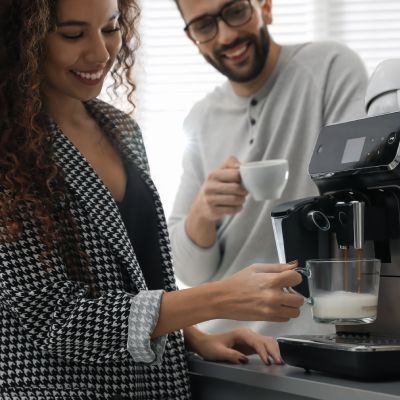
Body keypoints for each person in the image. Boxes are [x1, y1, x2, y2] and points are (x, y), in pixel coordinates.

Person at [0, 0, 305, 398]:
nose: (101, 52)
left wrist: (190, 334)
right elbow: (58, 323)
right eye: (73, 34)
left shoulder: (119, 128)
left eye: (110, 28)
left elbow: (138, 275)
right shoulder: (10, 152)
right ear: (25, 39)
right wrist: (218, 297)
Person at [169, 0, 369, 336]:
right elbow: (191, 273)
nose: (227, 35)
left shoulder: (330, 68)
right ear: (193, 39)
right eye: (204, 26)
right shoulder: (201, 119)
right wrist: (203, 212)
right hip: (223, 341)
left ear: (265, 6)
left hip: (315, 331)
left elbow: (357, 198)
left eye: (235, 11)